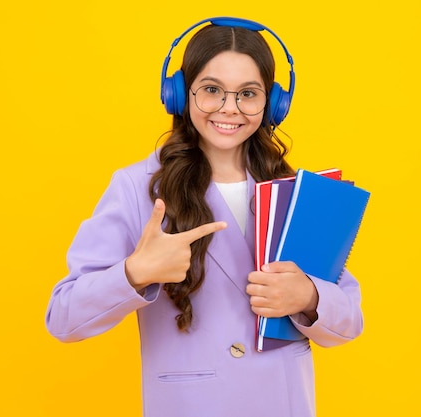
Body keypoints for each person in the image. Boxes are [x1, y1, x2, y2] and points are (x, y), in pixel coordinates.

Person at [45, 17, 363, 417]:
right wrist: (135, 272)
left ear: (272, 103)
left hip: (283, 403)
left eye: (248, 93)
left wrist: (309, 297)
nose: (229, 108)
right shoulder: (135, 188)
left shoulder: (296, 192)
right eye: (212, 90)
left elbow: (349, 320)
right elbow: (63, 317)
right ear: (179, 94)